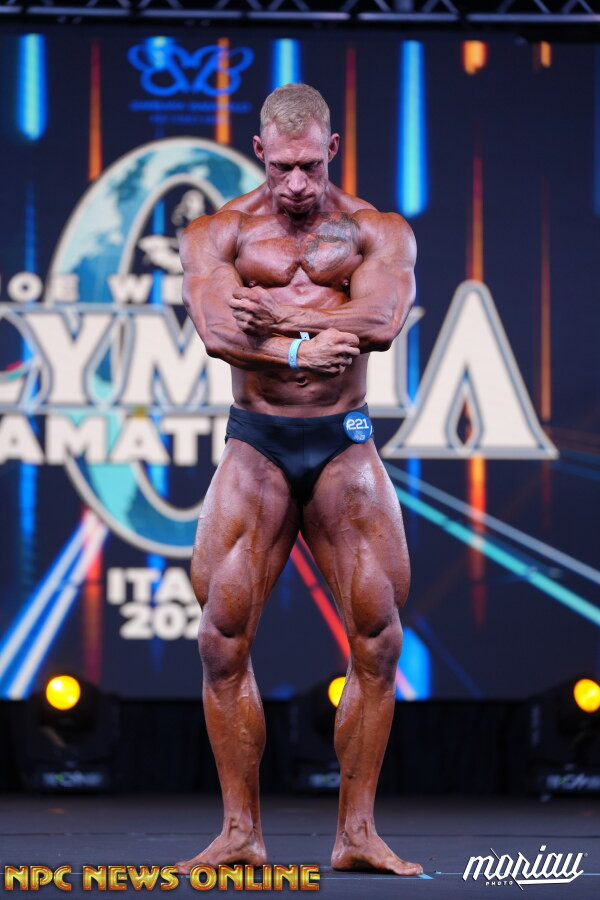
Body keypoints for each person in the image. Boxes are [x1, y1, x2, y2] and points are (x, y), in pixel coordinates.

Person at [177, 83, 422, 877]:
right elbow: (217, 330)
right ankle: (239, 832)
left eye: (310, 166)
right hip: (258, 445)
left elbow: (381, 322)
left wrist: (278, 323)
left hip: (345, 444)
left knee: (379, 637)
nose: (295, 183)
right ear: (259, 152)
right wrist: (297, 350)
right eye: (282, 166)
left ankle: (357, 834)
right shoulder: (218, 233)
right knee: (220, 639)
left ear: (332, 149)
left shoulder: (377, 230)